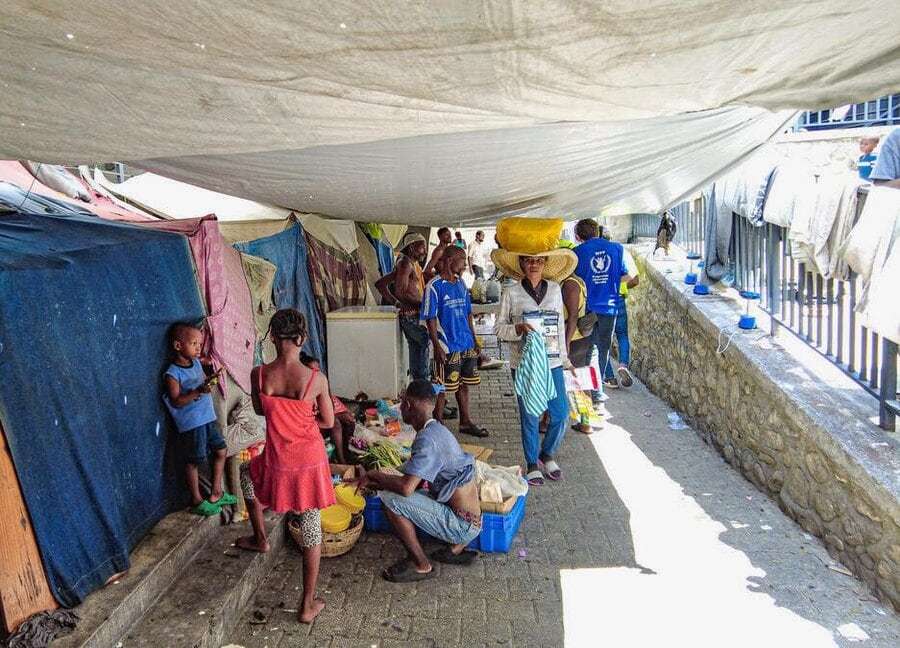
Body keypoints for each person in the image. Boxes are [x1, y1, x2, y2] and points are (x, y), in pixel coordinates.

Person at [236, 309, 335, 624]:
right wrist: (304, 419)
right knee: (311, 526)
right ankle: (306, 605)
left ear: (273, 339)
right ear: (302, 338)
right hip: (309, 461)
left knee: (246, 475)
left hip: (278, 460)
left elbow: (260, 410)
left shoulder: (259, 375)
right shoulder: (316, 379)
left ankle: (260, 538)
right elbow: (328, 421)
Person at [350, 379, 481, 582]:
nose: (400, 408)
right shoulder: (436, 429)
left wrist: (376, 476)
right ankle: (454, 549)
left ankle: (422, 565)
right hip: (470, 520)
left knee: (390, 499)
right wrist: (374, 479)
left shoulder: (427, 440)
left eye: (402, 403)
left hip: (463, 525)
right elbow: (413, 476)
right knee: (396, 489)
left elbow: (406, 488)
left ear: (408, 405)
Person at [493, 231, 577, 485]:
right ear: (521, 264)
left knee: (560, 413)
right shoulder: (511, 292)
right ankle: (531, 462)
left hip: (552, 361)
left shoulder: (555, 290)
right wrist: (518, 329)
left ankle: (547, 453)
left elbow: (559, 327)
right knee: (530, 415)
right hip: (524, 363)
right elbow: (498, 328)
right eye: (529, 260)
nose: (534, 264)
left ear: (545, 264)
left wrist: (566, 360)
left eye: (539, 260)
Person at [163, 323, 236, 516]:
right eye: (194, 343)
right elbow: (176, 401)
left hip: (208, 417)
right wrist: (197, 391)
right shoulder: (172, 373)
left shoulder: (196, 363)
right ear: (178, 346)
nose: (198, 348)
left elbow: (203, 383)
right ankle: (196, 499)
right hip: (192, 423)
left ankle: (216, 492)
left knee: (221, 450)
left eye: (200, 343)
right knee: (194, 461)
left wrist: (210, 380)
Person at [421, 245, 488, 437]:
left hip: (465, 343)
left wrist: (474, 340)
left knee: (464, 383)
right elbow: (430, 319)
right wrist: (436, 346)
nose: (465, 265)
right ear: (450, 261)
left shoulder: (461, 284)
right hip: (446, 345)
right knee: (441, 386)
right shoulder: (433, 286)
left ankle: (465, 422)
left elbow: (468, 313)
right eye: (462, 261)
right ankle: (437, 426)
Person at [573, 219, 633, 408]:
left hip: (588, 309)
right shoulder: (616, 248)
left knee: (587, 351)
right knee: (603, 351)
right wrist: (609, 281)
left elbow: (574, 281)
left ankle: (593, 392)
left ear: (578, 236)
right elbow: (627, 276)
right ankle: (597, 392)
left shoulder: (577, 252)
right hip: (610, 307)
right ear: (597, 231)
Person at [375, 232, 431, 382]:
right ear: (412, 247)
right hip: (410, 316)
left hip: (411, 314)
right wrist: (422, 304)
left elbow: (380, 284)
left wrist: (397, 303)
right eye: (422, 248)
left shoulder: (406, 263)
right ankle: (422, 384)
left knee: (416, 346)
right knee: (424, 341)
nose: (425, 252)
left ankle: (417, 384)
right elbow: (400, 292)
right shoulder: (405, 264)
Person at [300, 352, 354, 464]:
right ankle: (341, 460)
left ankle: (347, 452)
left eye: (318, 370)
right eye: (313, 370)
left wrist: (340, 414)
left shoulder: (321, 383)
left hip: (321, 419)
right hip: (309, 422)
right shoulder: (302, 388)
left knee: (348, 420)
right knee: (335, 424)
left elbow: (330, 408)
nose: (316, 373)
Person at [602, 246, 639, 389]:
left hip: (603, 301)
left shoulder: (597, 253)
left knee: (603, 340)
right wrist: (621, 285)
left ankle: (610, 378)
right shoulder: (623, 253)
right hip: (619, 298)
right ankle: (623, 365)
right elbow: (635, 280)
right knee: (622, 335)